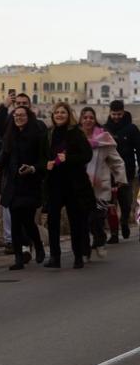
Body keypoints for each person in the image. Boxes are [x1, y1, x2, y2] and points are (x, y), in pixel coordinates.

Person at [0, 91, 45, 252]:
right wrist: (4, 106)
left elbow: (43, 154)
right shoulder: (10, 126)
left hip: (30, 179)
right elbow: (2, 146)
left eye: (24, 104)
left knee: (27, 218)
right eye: (18, 104)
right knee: (12, 214)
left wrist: (36, 169)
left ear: (30, 107)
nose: (21, 108)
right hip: (11, 177)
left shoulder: (39, 127)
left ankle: (30, 245)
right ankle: (18, 250)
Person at [0, 106, 46, 270]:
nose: (19, 118)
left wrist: (32, 168)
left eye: (22, 115)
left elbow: (43, 159)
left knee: (28, 221)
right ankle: (18, 258)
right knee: (15, 223)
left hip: (30, 184)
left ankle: (38, 244)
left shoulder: (37, 135)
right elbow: (4, 154)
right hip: (13, 184)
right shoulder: (10, 135)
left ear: (28, 117)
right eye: (16, 115)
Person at [42, 102, 94, 270]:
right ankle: (55, 257)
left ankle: (78, 256)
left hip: (73, 184)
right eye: (56, 112)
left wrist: (68, 158)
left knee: (76, 221)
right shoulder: (49, 134)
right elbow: (43, 155)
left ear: (68, 114)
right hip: (54, 183)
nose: (59, 115)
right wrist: (47, 164)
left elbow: (87, 155)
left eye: (62, 112)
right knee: (53, 222)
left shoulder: (76, 133)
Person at [78, 107, 127, 258]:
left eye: (91, 117)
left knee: (97, 218)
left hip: (100, 186)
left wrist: (120, 178)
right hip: (80, 186)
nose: (88, 120)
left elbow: (116, 161)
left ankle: (99, 240)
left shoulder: (104, 139)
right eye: (85, 117)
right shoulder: (75, 138)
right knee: (84, 219)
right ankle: (85, 248)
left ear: (95, 120)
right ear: (80, 119)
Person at [103, 100, 140, 242]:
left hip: (127, 172)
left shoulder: (131, 129)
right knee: (110, 204)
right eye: (114, 114)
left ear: (123, 112)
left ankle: (124, 221)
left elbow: (138, 149)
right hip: (108, 173)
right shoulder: (105, 129)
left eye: (119, 114)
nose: (116, 117)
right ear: (110, 113)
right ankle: (113, 233)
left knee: (125, 203)